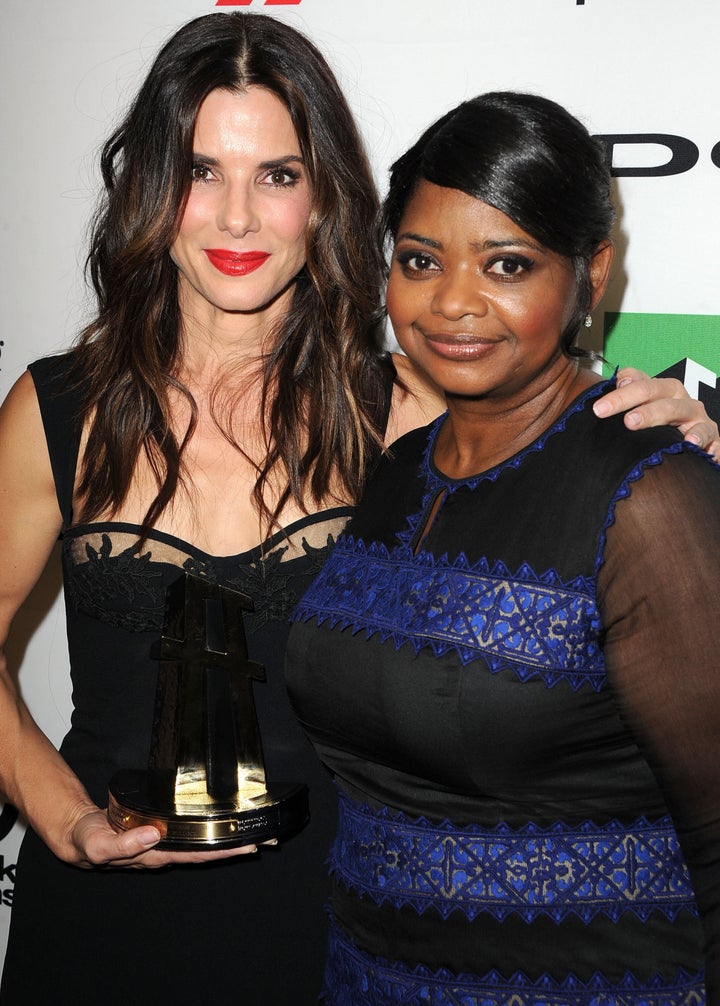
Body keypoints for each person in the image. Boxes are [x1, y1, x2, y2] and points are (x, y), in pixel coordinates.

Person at [0, 13, 714, 1003]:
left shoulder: (412, 406)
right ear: (151, 189)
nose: (238, 218)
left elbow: (595, 485)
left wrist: (684, 426)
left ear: (326, 195)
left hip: (336, 927)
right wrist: (60, 814)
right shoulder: (56, 407)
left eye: (278, 176)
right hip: (99, 917)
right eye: (203, 172)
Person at [287, 91, 720, 1004]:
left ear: (592, 275)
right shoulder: (397, 467)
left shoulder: (648, 493)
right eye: (418, 260)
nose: (452, 303)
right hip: (364, 977)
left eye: (508, 265)